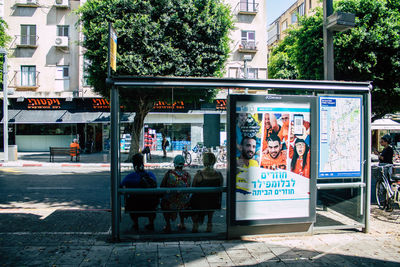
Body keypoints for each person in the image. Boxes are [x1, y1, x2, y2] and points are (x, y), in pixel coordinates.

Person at [120, 153, 159, 232]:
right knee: (152, 200)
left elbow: (121, 185)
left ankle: (135, 224)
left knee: (130, 200)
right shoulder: (151, 175)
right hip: (150, 205)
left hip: (135, 205)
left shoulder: (130, 177)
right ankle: (151, 223)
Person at [190, 152, 223, 233]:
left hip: (199, 203)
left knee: (193, 200)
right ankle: (209, 223)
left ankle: (195, 224)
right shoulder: (219, 175)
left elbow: (193, 189)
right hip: (213, 202)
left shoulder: (199, 175)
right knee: (210, 200)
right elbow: (220, 191)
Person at [160, 155, 191, 233]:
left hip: (170, 203)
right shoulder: (187, 175)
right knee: (183, 198)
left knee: (164, 202)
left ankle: (168, 225)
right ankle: (182, 223)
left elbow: (162, 186)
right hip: (184, 203)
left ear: (174, 164)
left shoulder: (169, 174)